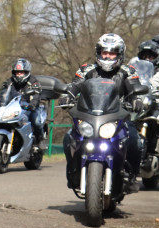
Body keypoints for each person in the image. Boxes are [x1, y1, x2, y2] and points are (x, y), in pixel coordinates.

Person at [62, 33, 145, 191]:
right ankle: (73, 171)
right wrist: (68, 96)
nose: (107, 57)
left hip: (117, 117)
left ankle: (131, 176)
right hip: (89, 116)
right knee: (68, 139)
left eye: (112, 53)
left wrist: (136, 99)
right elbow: (76, 84)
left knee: (135, 140)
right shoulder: (87, 69)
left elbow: (134, 87)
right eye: (104, 52)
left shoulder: (127, 71)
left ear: (120, 54)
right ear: (98, 52)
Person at [0, 58, 44, 150]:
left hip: (29, 106)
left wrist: (33, 104)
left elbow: (36, 94)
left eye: (21, 72)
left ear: (26, 72)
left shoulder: (33, 81)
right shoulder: (10, 81)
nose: (19, 74)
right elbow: (2, 91)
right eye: (17, 72)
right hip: (14, 107)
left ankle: (40, 140)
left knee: (36, 121)